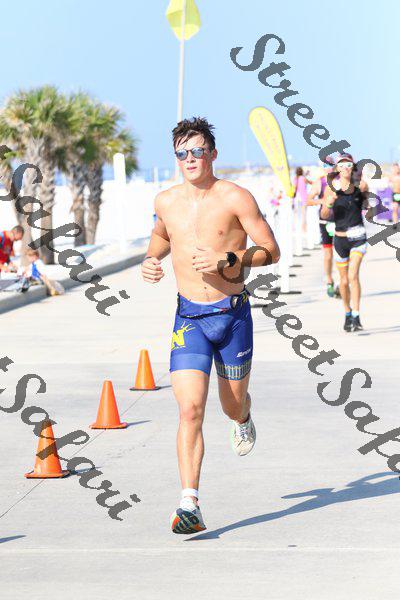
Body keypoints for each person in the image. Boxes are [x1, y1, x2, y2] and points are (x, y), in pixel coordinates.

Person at [141, 117, 280, 534]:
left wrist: (227, 260)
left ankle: (243, 417)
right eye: (182, 153)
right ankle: (190, 504)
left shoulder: (235, 197)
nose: (190, 159)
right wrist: (151, 260)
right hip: (189, 319)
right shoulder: (166, 201)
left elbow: (271, 250)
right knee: (190, 410)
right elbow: (162, 237)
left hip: (232, 316)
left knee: (230, 405)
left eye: (197, 151)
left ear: (212, 154)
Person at [321, 154, 368, 332]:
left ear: (353, 167)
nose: (346, 167)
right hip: (340, 240)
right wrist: (329, 204)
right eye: (342, 165)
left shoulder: (360, 186)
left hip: (358, 238)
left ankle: (356, 314)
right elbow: (324, 215)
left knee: (353, 276)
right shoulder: (331, 189)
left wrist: (365, 196)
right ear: (337, 169)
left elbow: (368, 206)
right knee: (343, 281)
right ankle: (347, 313)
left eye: (349, 164)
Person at [307, 160, 338, 297]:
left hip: (341, 221)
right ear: (322, 167)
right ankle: (329, 281)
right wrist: (323, 201)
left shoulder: (340, 180)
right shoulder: (319, 182)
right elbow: (308, 200)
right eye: (325, 165)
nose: (328, 168)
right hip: (325, 221)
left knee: (343, 252)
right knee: (328, 254)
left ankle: (343, 281)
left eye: (330, 165)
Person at [293, 167, 310, 233]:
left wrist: (292, 199)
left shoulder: (295, 179)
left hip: (296, 198)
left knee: (295, 213)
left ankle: (294, 228)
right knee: (304, 214)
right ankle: (304, 229)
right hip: (304, 197)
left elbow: (294, 189)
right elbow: (311, 182)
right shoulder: (304, 178)